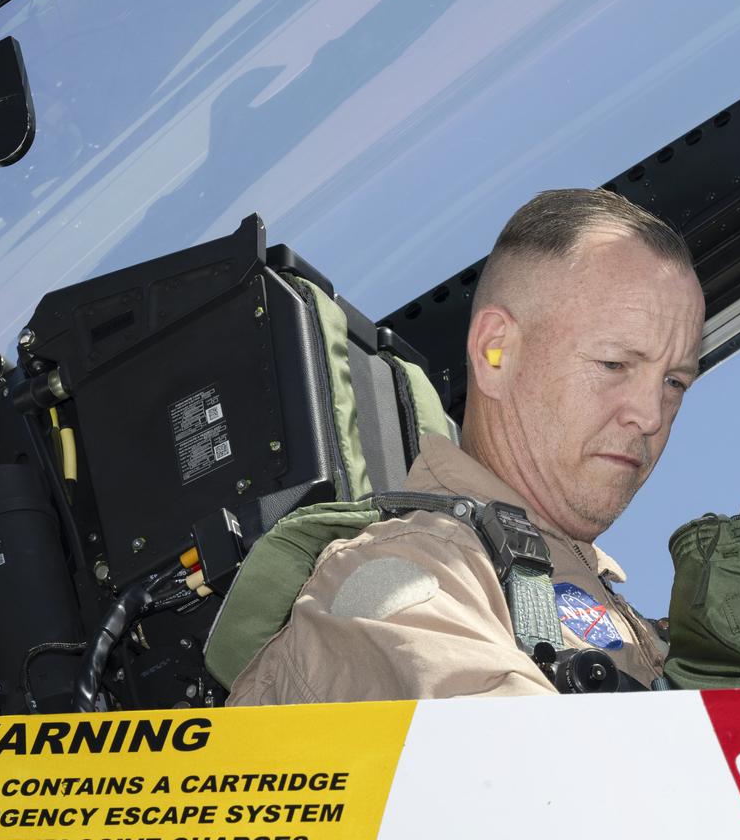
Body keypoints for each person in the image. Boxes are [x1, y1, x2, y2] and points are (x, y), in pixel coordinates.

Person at [229, 189, 703, 703]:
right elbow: (540, 778)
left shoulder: (596, 606)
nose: (651, 415)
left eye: (674, 383)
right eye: (614, 365)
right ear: (495, 353)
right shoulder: (405, 585)